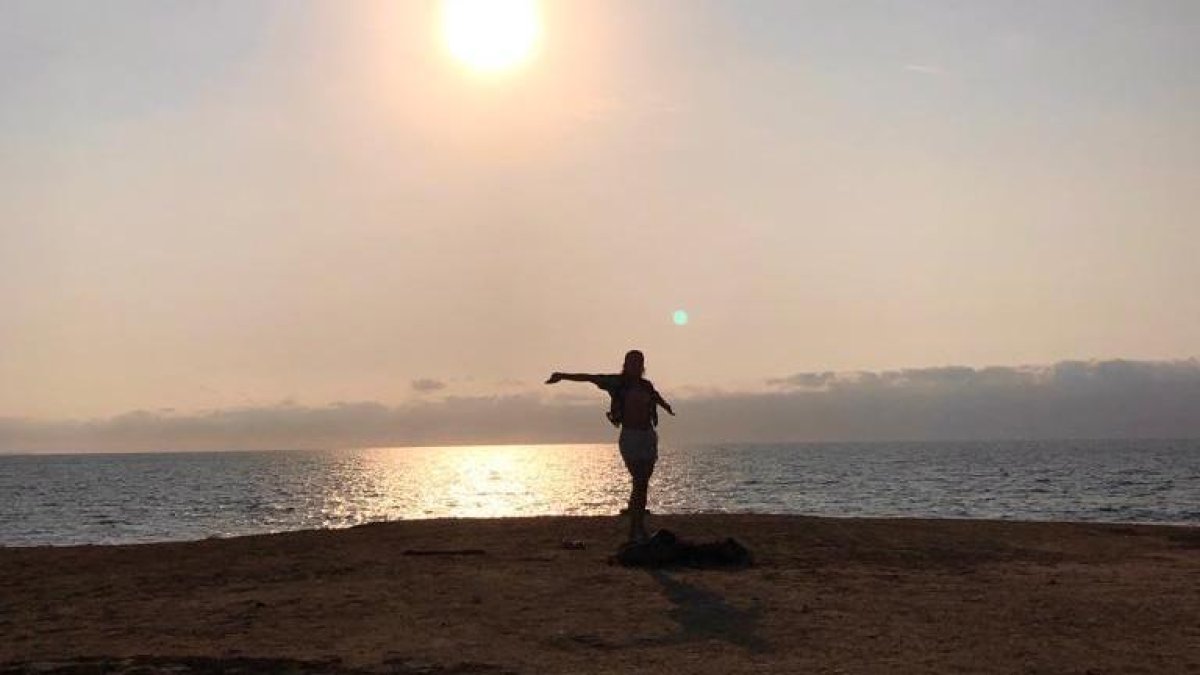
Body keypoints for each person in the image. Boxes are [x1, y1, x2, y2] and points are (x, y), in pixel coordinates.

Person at [545, 349, 675, 543]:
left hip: (647, 436)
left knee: (642, 483)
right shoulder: (616, 382)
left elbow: (655, 396)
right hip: (630, 437)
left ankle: (637, 527)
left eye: (639, 362)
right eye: (632, 362)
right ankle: (636, 528)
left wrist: (666, 406)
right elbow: (589, 378)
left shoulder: (645, 385)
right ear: (625, 364)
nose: (636, 366)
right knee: (639, 479)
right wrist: (562, 376)